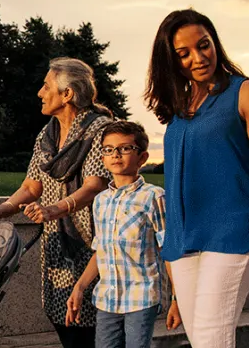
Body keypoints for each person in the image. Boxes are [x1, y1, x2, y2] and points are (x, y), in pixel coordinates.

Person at [143, 9, 249, 348]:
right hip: (184, 239)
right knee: (201, 341)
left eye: (204, 45)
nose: (198, 58)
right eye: (184, 54)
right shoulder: (180, 108)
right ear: (170, 60)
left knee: (212, 339)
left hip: (233, 230)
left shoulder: (247, 93)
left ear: (215, 43)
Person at [0, 57, 113, 348]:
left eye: (46, 86)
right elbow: (31, 185)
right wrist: (1, 210)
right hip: (56, 244)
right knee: (63, 320)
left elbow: (93, 187)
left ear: (67, 94)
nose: (40, 92)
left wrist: (52, 209)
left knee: (91, 327)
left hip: (92, 245)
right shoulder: (48, 135)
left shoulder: (100, 130)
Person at [65, 120, 181, 348]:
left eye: (125, 148)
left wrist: (178, 299)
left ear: (142, 157)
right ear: (102, 159)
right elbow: (102, 251)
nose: (116, 154)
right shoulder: (100, 201)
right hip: (107, 299)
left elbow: (168, 251)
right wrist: (79, 287)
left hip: (142, 297)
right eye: (109, 149)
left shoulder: (154, 198)